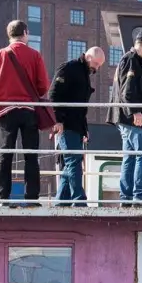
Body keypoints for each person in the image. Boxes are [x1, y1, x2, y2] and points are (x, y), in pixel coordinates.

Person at [0, 20, 50, 203]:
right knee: (31, 155)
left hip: (6, 111)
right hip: (29, 110)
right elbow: (43, 86)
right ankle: (31, 197)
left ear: (9, 35)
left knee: (5, 154)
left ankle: (1, 196)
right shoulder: (34, 55)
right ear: (25, 33)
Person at [48, 46, 105, 205]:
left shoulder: (83, 73)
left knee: (70, 163)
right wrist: (58, 120)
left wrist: (84, 129)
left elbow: (81, 106)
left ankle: (61, 201)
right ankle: (79, 200)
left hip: (76, 125)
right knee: (73, 161)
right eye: (96, 63)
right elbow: (53, 94)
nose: (97, 68)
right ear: (88, 58)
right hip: (66, 124)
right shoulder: (69, 68)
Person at [115, 31, 142, 204]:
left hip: (128, 118)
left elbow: (140, 94)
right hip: (133, 119)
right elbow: (128, 91)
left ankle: (126, 196)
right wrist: (135, 111)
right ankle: (139, 195)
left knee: (131, 157)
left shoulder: (133, 61)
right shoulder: (132, 60)